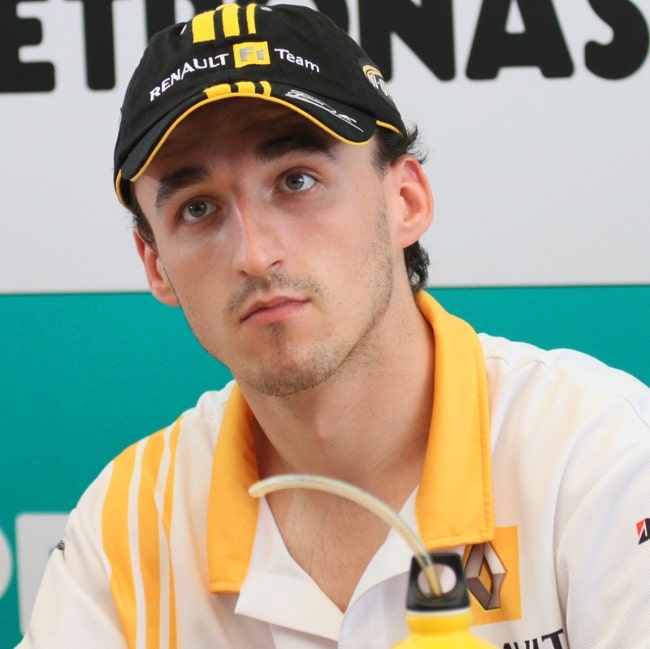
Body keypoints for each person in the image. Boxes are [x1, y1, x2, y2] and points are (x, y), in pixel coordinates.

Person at [17, 3, 650, 648]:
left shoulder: (597, 455)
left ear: (405, 200)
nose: (255, 255)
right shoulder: (126, 527)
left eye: (296, 180)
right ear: (155, 264)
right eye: (198, 208)